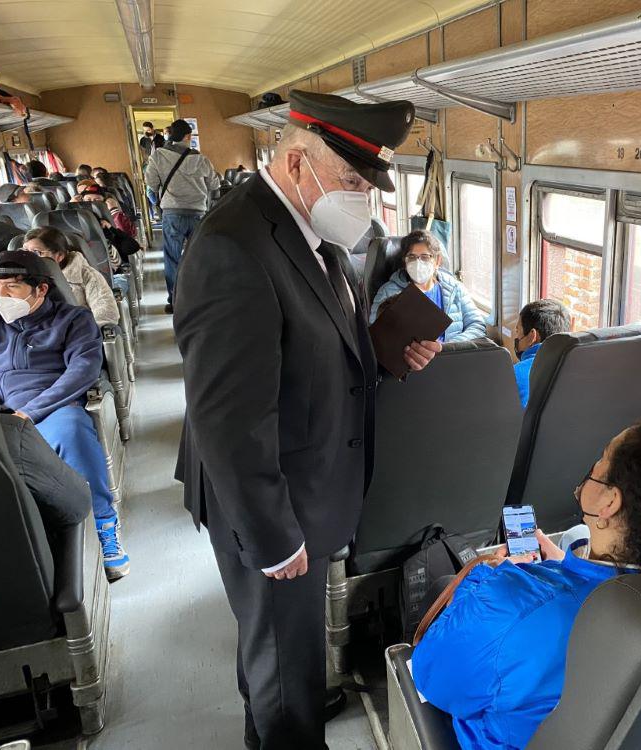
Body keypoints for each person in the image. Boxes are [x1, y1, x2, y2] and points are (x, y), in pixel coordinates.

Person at [174, 90, 441, 750]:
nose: (362, 199)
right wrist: (273, 537)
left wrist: (387, 353)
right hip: (269, 500)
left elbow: (314, 353)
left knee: (279, 651)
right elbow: (228, 419)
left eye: (368, 187)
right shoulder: (234, 247)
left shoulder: (318, 240)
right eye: (353, 180)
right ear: (297, 162)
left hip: (306, 486)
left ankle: (269, 725)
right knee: (283, 662)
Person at [412, 417, 641, 750]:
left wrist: (494, 575)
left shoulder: (510, 603)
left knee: (445, 587)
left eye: (602, 459)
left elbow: (430, 674)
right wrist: (566, 569)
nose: (593, 468)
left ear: (609, 503)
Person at [0, 250, 129, 579]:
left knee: (71, 430)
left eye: (12, 287)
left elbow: (82, 370)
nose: (0, 295)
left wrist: (29, 412)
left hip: (53, 407)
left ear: (41, 289)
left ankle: (104, 525)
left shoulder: (73, 320)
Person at [0, 386, 91, 533]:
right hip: (24, 536)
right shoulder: (11, 437)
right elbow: (78, 504)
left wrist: (29, 411)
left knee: (70, 429)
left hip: (46, 404)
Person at [145, 118, 220, 313]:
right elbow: (214, 185)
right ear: (188, 136)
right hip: (198, 214)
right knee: (199, 256)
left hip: (172, 214)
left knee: (172, 258)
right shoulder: (201, 159)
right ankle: (202, 297)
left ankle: (175, 300)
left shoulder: (158, 156)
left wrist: (159, 203)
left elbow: (151, 185)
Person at [370, 229, 486, 342]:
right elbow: (378, 336)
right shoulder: (388, 292)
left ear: (437, 261)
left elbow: (477, 325)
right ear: (405, 262)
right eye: (411, 257)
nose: (418, 263)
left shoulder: (455, 288)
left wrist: (449, 347)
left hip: (452, 352)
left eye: (425, 257)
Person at [23, 226, 119, 327]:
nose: (28, 258)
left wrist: (82, 333)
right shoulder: (21, 280)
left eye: (36, 252)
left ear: (59, 255)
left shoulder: (87, 276)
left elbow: (105, 314)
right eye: (25, 252)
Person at [512, 299, 571, 408]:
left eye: (517, 331)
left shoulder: (513, 375)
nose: (516, 337)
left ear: (532, 336)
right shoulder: (577, 370)